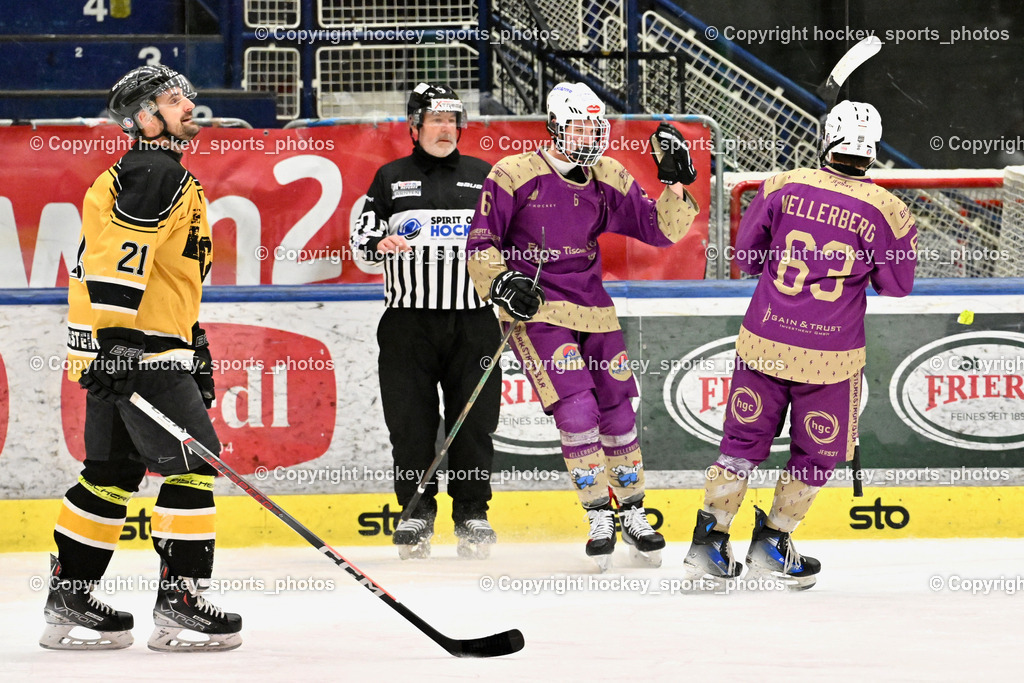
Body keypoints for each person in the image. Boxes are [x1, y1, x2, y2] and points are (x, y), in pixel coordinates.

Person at [42, 65, 241, 651]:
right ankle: (182, 601)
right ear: (145, 118)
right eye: (173, 100)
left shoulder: (145, 172)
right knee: (192, 466)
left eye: (185, 98)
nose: (187, 108)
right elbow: (116, 264)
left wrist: (189, 336)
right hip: (138, 354)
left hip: (121, 351)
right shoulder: (155, 171)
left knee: (109, 475)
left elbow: (156, 273)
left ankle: (69, 596)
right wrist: (120, 345)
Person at [465, 82, 701, 571]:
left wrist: (676, 186)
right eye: (578, 127)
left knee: (616, 410)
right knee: (576, 412)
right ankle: (599, 513)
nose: (589, 137)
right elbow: (481, 242)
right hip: (538, 309)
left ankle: (633, 511)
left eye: (596, 127)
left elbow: (661, 230)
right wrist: (504, 282)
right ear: (553, 126)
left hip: (593, 307)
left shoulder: (606, 173)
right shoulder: (512, 174)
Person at [683, 100, 917, 589]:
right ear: (872, 148)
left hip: (764, 343)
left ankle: (707, 545)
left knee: (741, 446)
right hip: (830, 360)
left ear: (827, 137)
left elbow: (746, 258)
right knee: (816, 455)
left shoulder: (780, 185)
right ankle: (773, 544)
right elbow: (896, 286)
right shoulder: (888, 210)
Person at [350, 83, 501, 560]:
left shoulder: (484, 176)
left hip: (474, 323)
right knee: (411, 425)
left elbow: (512, 239)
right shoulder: (390, 178)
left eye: (452, 120)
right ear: (414, 127)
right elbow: (362, 239)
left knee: (473, 422)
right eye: (435, 120)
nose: (445, 128)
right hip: (408, 325)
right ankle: (416, 512)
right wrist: (377, 245)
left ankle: (472, 514)